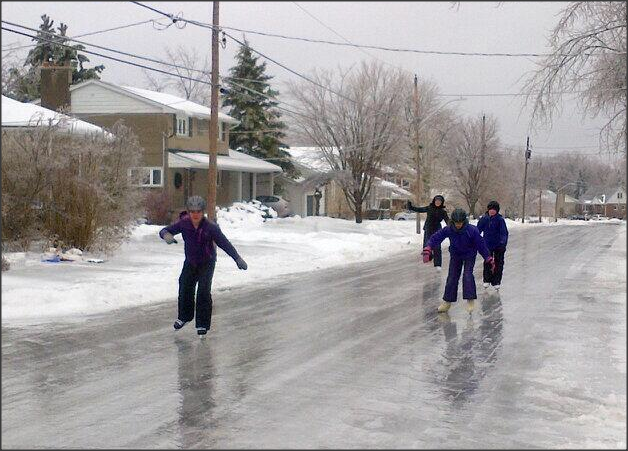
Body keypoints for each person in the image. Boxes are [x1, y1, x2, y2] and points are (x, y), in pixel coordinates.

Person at [159, 195, 248, 336]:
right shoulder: (184, 223)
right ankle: (184, 317)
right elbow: (164, 230)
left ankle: (202, 324)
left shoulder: (210, 227)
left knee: (203, 291)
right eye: (192, 211)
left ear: (203, 212)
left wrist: (237, 258)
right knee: (185, 286)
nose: (195, 214)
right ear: (188, 212)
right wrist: (167, 236)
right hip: (191, 261)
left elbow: (224, 244)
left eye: (198, 211)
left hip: (207, 262)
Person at [422, 208, 495, 313]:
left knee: (467, 275)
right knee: (452, 277)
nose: (458, 225)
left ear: (464, 221)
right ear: (453, 222)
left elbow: (481, 245)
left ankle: (470, 300)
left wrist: (488, 257)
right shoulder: (449, 229)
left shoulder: (472, 230)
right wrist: (428, 247)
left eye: (460, 223)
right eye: (456, 223)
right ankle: (447, 302)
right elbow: (436, 237)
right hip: (455, 255)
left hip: (469, 255)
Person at [407, 195, 450, 270]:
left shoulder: (443, 212)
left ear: (442, 202)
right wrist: (411, 207)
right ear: (434, 201)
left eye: (439, 201)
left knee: (437, 247)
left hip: (437, 230)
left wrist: (452, 227)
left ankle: (438, 264)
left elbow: (447, 221)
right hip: (428, 228)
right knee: (427, 245)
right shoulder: (429, 208)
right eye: (436, 201)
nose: (438, 202)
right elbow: (420, 209)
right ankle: (429, 257)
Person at [477, 200, 509, 291]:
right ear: (488, 210)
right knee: (487, 262)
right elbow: (477, 230)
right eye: (490, 209)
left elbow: (504, 233)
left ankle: (496, 281)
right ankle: (487, 279)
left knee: (499, 262)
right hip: (487, 244)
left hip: (499, 245)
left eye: (494, 209)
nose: (492, 211)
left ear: (497, 211)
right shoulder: (484, 219)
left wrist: (503, 243)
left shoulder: (500, 220)